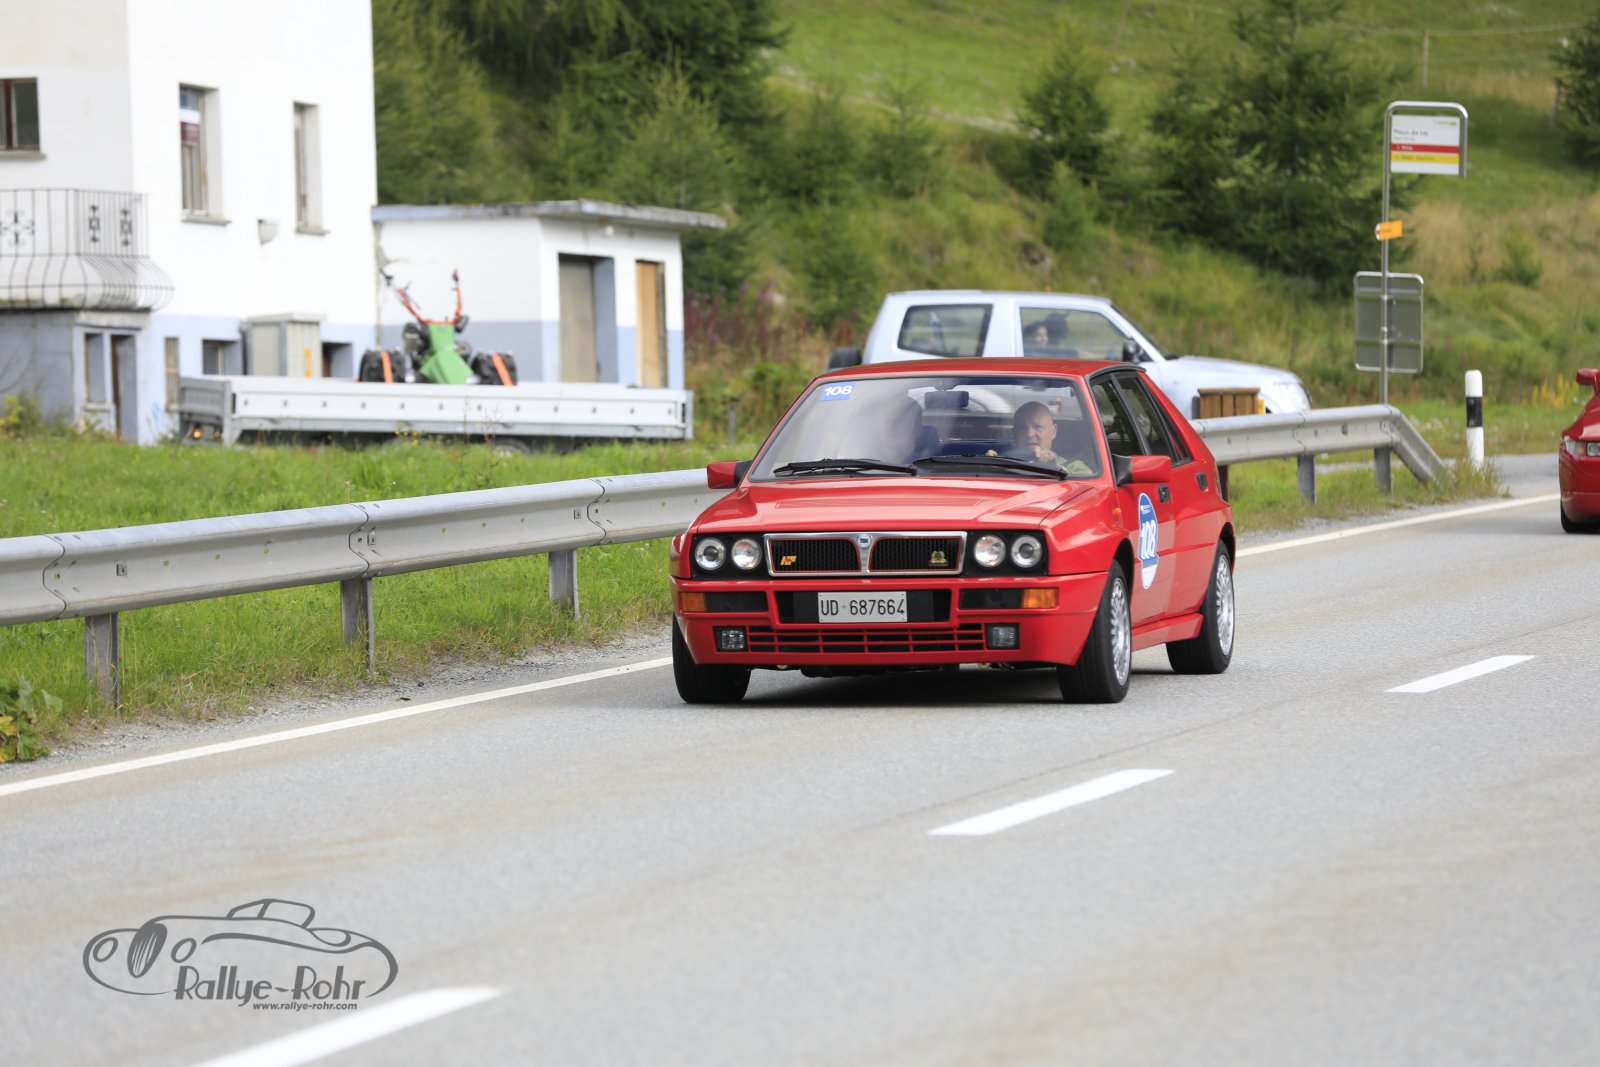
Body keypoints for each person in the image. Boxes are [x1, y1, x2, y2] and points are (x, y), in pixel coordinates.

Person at [990, 401, 1093, 474]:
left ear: (1053, 431)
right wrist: (990, 466)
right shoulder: (1003, 463)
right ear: (1014, 434)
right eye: (1022, 428)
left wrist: (1055, 469)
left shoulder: (1074, 467)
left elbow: (1088, 490)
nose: (1029, 434)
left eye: (1038, 427)